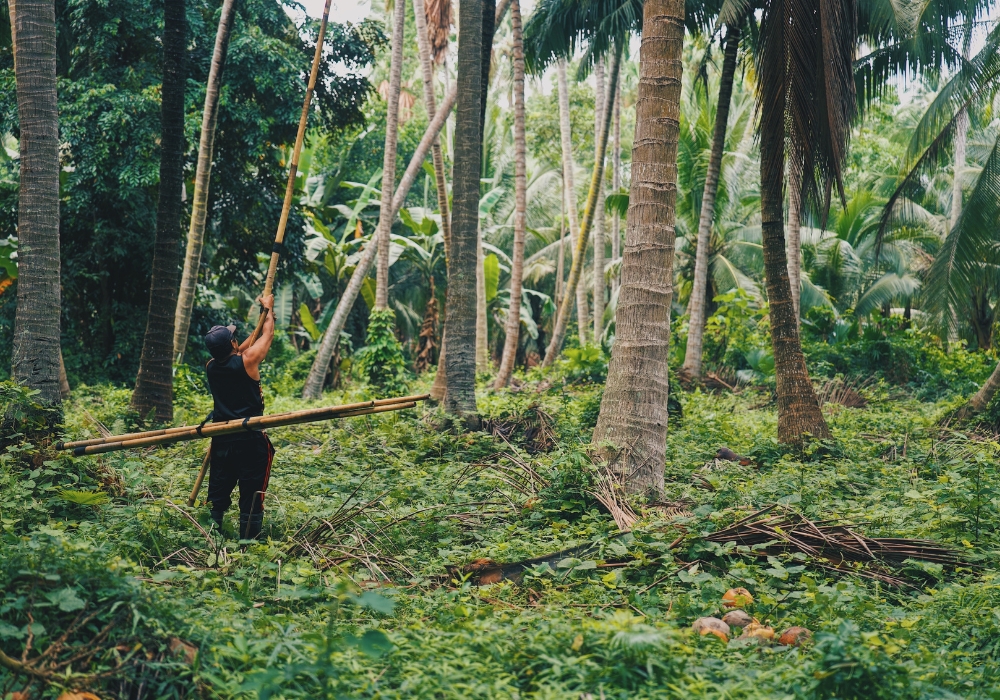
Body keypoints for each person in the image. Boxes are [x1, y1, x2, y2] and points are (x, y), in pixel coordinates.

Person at [202, 294, 275, 539]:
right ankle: (248, 544)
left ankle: (212, 536)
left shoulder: (211, 366)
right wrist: (269, 311)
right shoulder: (249, 361)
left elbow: (242, 349)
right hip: (250, 439)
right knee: (253, 493)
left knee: (219, 491)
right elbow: (267, 337)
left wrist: (261, 312)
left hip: (222, 439)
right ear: (232, 345)